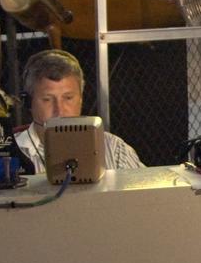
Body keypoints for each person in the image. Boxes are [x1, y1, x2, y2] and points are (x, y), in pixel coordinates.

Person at [14, 49, 143, 172]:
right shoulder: (9, 153)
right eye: (47, 99)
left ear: (81, 99)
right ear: (28, 102)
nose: (59, 110)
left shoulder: (115, 150)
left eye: (68, 98)